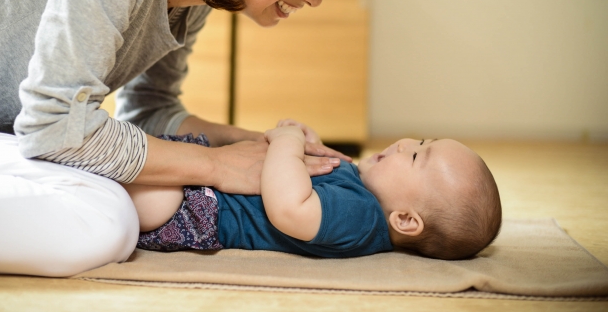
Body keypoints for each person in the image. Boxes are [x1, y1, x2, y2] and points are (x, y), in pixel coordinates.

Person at [0, 0, 375, 276]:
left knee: (121, 203)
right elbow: (54, 127)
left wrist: (248, 144)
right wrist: (214, 166)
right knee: (106, 220)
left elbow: (148, 111)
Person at [128, 121, 503, 260]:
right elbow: (318, 179)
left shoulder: (362, 218)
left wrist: (288, 144)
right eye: (421, 140)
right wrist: (312, 145)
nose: (405, 143)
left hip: (197, 207)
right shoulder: (363, 186)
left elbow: (290, 208)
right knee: (143, 154)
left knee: (153, 198)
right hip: (200, 179)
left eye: (418, 156)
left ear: (404, 219)